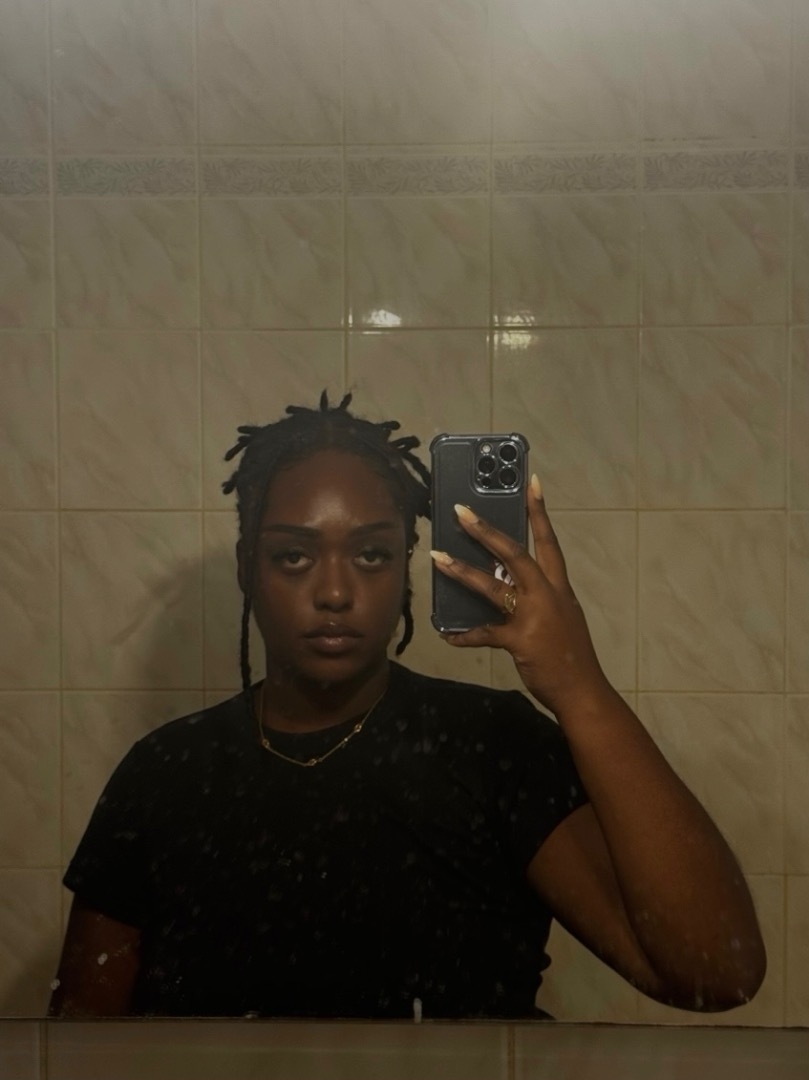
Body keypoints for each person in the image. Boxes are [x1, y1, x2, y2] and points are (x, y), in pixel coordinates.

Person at [49, 392, 766, 1019]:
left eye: (371, 555)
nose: (334, 592)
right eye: (293, 556)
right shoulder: (166, 772)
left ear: (407, 570)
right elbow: (81, 1041)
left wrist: (579, 686)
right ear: (248, 569)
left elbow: (715, 974)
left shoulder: (492, 748)